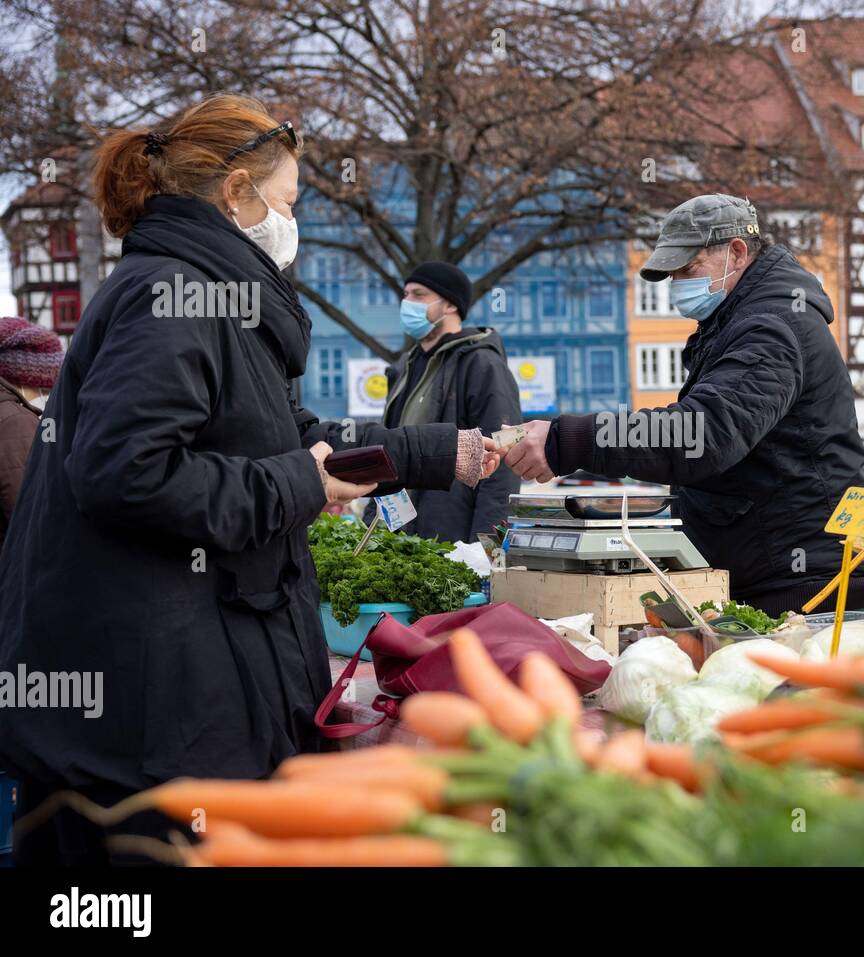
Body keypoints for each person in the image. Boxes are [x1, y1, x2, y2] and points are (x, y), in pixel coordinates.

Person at [0, 93, 501, 865]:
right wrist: (295, 486)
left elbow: (291, 442)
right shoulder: (172, 296)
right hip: (150, 720)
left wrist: (443, 452)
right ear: (237, 193)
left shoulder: (214, 299)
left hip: (179, 692)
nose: (292, 223)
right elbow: (128, 472)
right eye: (289, 201)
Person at [505, 194, 864, 616]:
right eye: (672, 274)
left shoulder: (772, 325)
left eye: (688, 268)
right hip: (772, 571)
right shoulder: (738, 319)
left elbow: (703, 433)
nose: (677, 284)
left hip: (803, 585)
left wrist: (568, 440)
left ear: (736, 252)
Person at [372, 261, 521, 542]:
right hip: (401, 538)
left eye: (418, 295)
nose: (407, 303)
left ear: (450, 305)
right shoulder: (404, 368)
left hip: (454, 542)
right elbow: (387, 452)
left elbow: (504, 459)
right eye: (405, 296)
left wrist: (485, 547)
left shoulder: (482, 364)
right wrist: (376, 528)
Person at [0, 317, 63, 550]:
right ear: (25, 379)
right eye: (47, 387)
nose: (49, 395)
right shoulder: (16, 421)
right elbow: (34, 520)